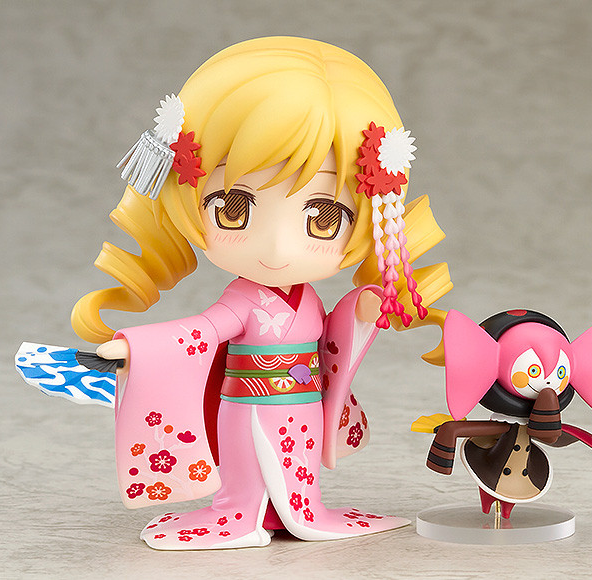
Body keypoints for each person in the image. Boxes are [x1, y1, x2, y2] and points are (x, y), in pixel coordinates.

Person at [72, 36, 452, 549]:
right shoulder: (243, 299)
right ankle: (240, 515)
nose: (277, 248)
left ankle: (296, 512)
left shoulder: (308, 301)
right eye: (234, 208)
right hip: (246, 405)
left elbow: (333, 334)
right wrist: (135, 347)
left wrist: (361, 310)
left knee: (298, 472)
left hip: (302, 404)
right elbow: (201, 333)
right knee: (247, 469)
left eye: (323, 218)